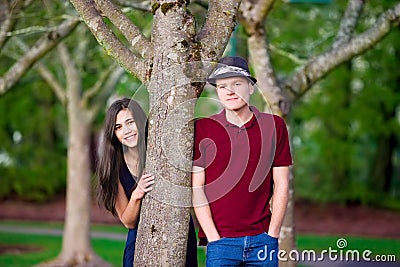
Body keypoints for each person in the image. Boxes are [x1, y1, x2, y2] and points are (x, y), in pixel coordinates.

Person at [192, 56, 292, 266]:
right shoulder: (203, 129)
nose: (230, 91)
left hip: (262, 240)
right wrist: (213, 238)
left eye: (237, 83)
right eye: (222, 86)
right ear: (217, 92)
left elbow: (282, 183)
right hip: (221, 243)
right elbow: (196, 187)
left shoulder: (274, 126)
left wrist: (273, 234)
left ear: (251, 87)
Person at [96, 98, 198, 267]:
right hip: (140, 241)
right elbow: (128, 221)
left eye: (130, 122)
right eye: (118, 127)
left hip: (178, 231)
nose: (126, 130)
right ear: (113, 134)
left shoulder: (160, 151)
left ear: (140, 121)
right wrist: (137, 194)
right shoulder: (113, 169)